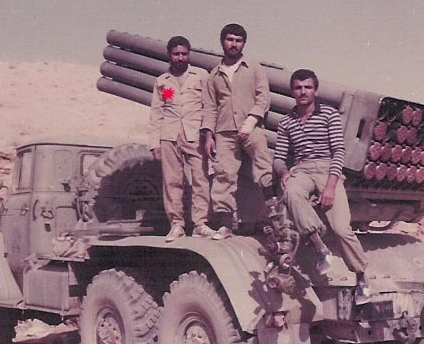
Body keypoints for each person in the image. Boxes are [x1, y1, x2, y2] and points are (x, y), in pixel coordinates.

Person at [273, 69, 368, 288]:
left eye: (307, 87)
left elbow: (339, 152)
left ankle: (362, 277)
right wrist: (284, 172)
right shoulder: (286, 122)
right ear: (292, 91)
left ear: (315, 90)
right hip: (302, 169)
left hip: (327, 169)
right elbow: (279, 157)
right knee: (291, 191)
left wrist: (330, 187)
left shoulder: (329, 115)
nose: (303, 92)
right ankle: (320, 248)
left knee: (341, 229)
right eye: (298, 88)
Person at [202, 23, 275, 240]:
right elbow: (210, 107)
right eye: (230, 39)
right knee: (223, 174)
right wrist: (209, 136)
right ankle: (225, 225)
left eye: (238, 40)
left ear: (243, 43)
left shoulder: (254, 67)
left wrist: (250, 123)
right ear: (222, 42)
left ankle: (274, 211)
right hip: (224, 131)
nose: (233, 44)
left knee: (263, 163)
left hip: (251, 126)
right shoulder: (214, 75)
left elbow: (263, 97)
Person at [149, 35, 216, 242]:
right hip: (169, 135)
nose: (180, 58)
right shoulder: (162, 81)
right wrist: (154, 143)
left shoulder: (200, 76)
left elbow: (209, 106)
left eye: (184, 54)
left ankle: (200, 223)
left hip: (195, 134)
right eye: (176, 54)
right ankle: (176, 224)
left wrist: (208, 134)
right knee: (172, 181)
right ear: (169, 55)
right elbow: (157, 113)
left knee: (200, 179)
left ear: (189, 54)